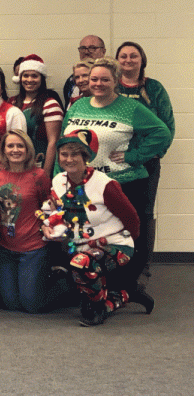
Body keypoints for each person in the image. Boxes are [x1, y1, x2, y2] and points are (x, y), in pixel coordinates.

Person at [61, 57, 170, 309]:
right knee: (88, 240)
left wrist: (135, 156)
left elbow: (161, 132)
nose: (98, 84)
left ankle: (122, 290)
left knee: (120, 243)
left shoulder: (129, 107)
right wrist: (62, 177)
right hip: (86, 185)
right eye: (94, 79)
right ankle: (96, 289)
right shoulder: (78, 105)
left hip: (122, 184)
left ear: (115, 81)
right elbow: (65, 145)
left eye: (104, 79)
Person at [41, 130, 141, 325]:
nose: (69, 159)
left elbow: (132, 218)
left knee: (81, 263)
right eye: (64, 154)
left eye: (75, 154)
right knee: (76, 265)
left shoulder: (105, 184)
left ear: (86, 157)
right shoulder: (59, 180)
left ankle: (99, 308)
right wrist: (47, 226)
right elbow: (56, 211)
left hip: (116, 243)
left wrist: (131, 254)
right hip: (81, 245)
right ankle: (123, 295)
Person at [115, 41, 174, 291]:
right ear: (117, 60)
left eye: (134, 56)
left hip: (146, 163)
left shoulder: (154, 89)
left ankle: (143, 266)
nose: (128, 60)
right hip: (113, 164)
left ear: (142, 60)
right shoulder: (111, 86)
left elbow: (167, 128)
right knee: (114, 211)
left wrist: (142, 155)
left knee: (144, 213)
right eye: (123, 56)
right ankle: (116, 261)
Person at [0, 130, 53, 313]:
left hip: (33, 247)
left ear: (28, 150)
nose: (15, 150)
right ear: (4, 150)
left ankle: (62, 282)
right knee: (11, 304)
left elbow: (48, 207)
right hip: (5, 249)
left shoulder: (39, 176)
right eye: (10, 146)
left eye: (20, 146)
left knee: (31, 304)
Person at [8, 55, 64, 175]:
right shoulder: (11, 102)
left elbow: (53, 142)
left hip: (39, 164)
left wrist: (45, 174)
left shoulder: (50, 104)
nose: (29, 80)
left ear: (41, 79)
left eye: (34, 76)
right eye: (25, 75)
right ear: (20, 77)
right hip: (14, 165)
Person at [64, 35, 106, 103]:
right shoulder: (71, 81)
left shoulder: (112, 78)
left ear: (103, 52)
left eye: (92, 48)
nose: (86, 52)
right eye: (83, 48)